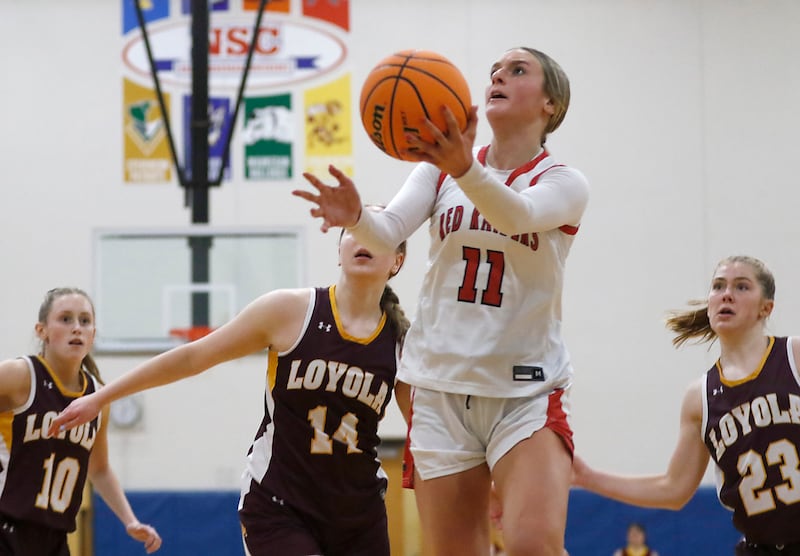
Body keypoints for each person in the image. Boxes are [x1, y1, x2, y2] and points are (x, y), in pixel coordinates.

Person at [294, 46, 589, 556]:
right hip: (438, 389)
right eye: (494, 70)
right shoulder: (437, 172)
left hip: (524, 389)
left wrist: (462, 168)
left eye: (518, 71)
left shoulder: (562, 181)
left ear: (551, 105)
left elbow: (516, 215)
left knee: (534, 545)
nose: (498, 75)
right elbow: (388, 231)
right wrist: (356, 215)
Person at [49, 214, 409, 556]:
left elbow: (424, 435)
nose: (363, 239)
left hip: (359, 513)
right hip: (281, 504)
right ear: (339, 250)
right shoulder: (291, 310)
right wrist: (102, 397)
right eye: (355, 230)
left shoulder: (401, 342)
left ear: (397, 260)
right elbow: (194, 357)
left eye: (378, 233)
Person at [572, 255, 800, 555]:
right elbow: (673, 489)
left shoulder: (793, 356)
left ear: (765, 308)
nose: (727, 294)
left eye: (742, 287)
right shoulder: (700, 396)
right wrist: (588, 478)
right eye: (718, 286)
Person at [0, 287, 162, 555]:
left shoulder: (98, 397)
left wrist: (130, 521)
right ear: (42, 331)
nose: (77, 328)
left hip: (55, 539)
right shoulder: (20, 375)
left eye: (84, 321)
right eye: (65, 319)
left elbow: (98, 469)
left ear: (93, 335)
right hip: (6, 529)